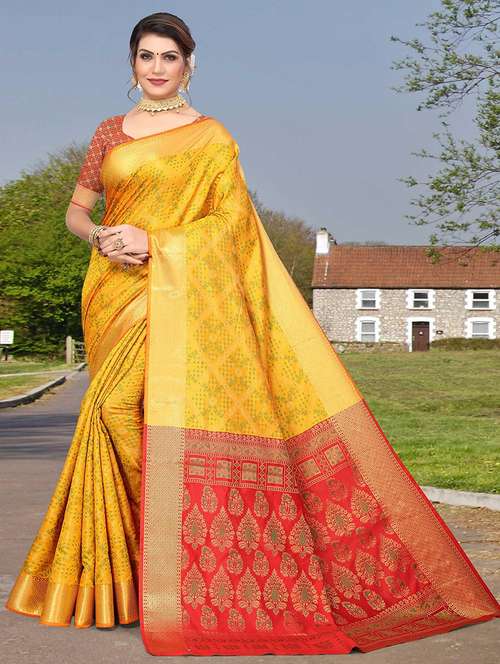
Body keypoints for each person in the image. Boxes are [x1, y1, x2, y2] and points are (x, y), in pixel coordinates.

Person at [5, 11, 499, 658]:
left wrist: (157, 241)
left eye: (169, 57)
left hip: (176, 288)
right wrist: (100, 236)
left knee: (120, 410)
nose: (157, 68)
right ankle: (138, 577)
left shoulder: (211, 137)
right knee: (119, 416)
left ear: (189, 64)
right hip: (111, 291)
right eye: (146, 56)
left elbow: (232, 223)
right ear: (132, 63)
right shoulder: (109, 132)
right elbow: (77, 209)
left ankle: (180, 558)